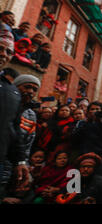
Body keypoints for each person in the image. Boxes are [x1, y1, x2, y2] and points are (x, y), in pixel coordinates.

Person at [0, 29, 30, 201]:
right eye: (1, 48)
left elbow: (13, 130)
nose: (4, 54)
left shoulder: (12, 91)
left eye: (9, 51)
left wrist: (20, 161)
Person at [72, 102, 102, 174]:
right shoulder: (81, 123)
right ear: (88, 111)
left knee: (99, 173)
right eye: (92, 109)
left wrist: (100, 122)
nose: (94, 111)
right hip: (84, 152)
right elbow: (75, 137)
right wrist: (87, 123)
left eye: (97, 109)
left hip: (100, 153)